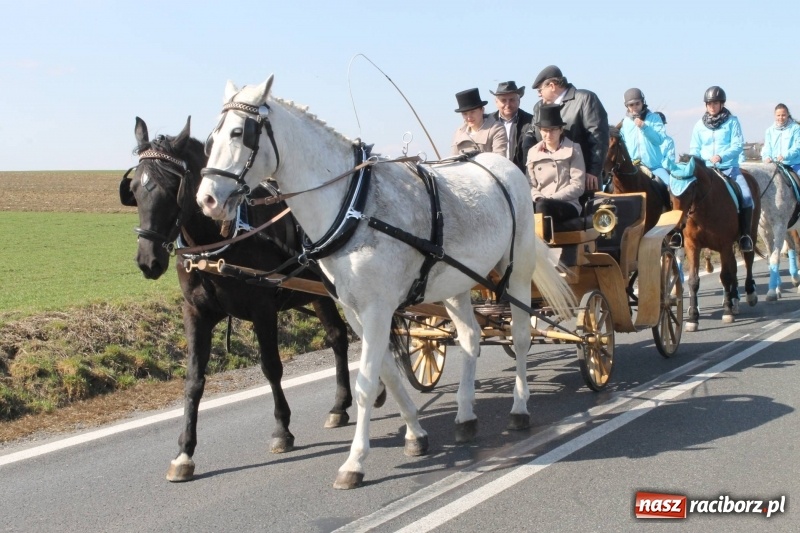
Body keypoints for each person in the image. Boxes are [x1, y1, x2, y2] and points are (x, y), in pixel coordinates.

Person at [528, 65, 609, 199]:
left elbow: (598, 137)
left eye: (540, 89)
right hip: (547, 186)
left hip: (582, 180)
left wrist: (593, 171)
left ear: (552, 86)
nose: (538, 94)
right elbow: (532, 136)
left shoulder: (585, 99)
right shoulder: (539, 108)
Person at [689, 85, 754, 252]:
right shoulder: (699, 125)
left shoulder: (732, 122)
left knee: (747, 197)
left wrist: (721, 156)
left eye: (715, 103)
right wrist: (698, 162)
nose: (712, 106)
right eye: (709, 103)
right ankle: (680, 233)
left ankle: (745, 235)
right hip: (706, 170)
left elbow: (737, 145)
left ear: (722, 104)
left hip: (728, 168)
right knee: (684, 195)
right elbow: (694, 149)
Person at [527, 104, 586, 237]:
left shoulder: (574, 149)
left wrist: (551, 199)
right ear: (540, 130)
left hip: (566, 204)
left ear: (561, 129)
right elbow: (530, 184)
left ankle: (544, 251)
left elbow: (578, 186)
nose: (548, 134)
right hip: (539, 201)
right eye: (545, 130)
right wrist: (538, 197)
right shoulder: (532, 152)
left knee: (543, 207)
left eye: (553, 130)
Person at [619, 88, 669, 187]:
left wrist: (644, 127)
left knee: (670, 186)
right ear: (627, 106)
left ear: (643, 102)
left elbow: (659, 140)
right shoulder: (625, 123)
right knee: (609, 187)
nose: (635, 107)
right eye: (631, 105)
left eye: (637, 103)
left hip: (654, 168)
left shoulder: (655, 118)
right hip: (632, 169)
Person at [490, 81, 534, 172]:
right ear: (496, 102)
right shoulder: (488, 123)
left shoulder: (531, 122)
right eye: (503, 100)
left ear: (519, 100)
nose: (508, 104)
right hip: (494, 174)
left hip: (522, 174)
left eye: (512, 100)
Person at [451, 88, 508, 156]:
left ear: (482, 110)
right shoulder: (459, 133)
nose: (469, 117)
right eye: (465, 114)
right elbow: (454, 160)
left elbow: (499, 158)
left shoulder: (496, 129)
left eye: (472, 112)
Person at [761, 103, 800, 173]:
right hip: (775, 164)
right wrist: (766, 157)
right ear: (775, 116)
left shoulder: (796, 128)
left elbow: (797, 147)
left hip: (793, 164)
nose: (781, 118)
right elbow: (767, 147)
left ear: (788, 114)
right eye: (778, 115)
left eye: (783, 115)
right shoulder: (769, 131)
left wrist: (785, 155)